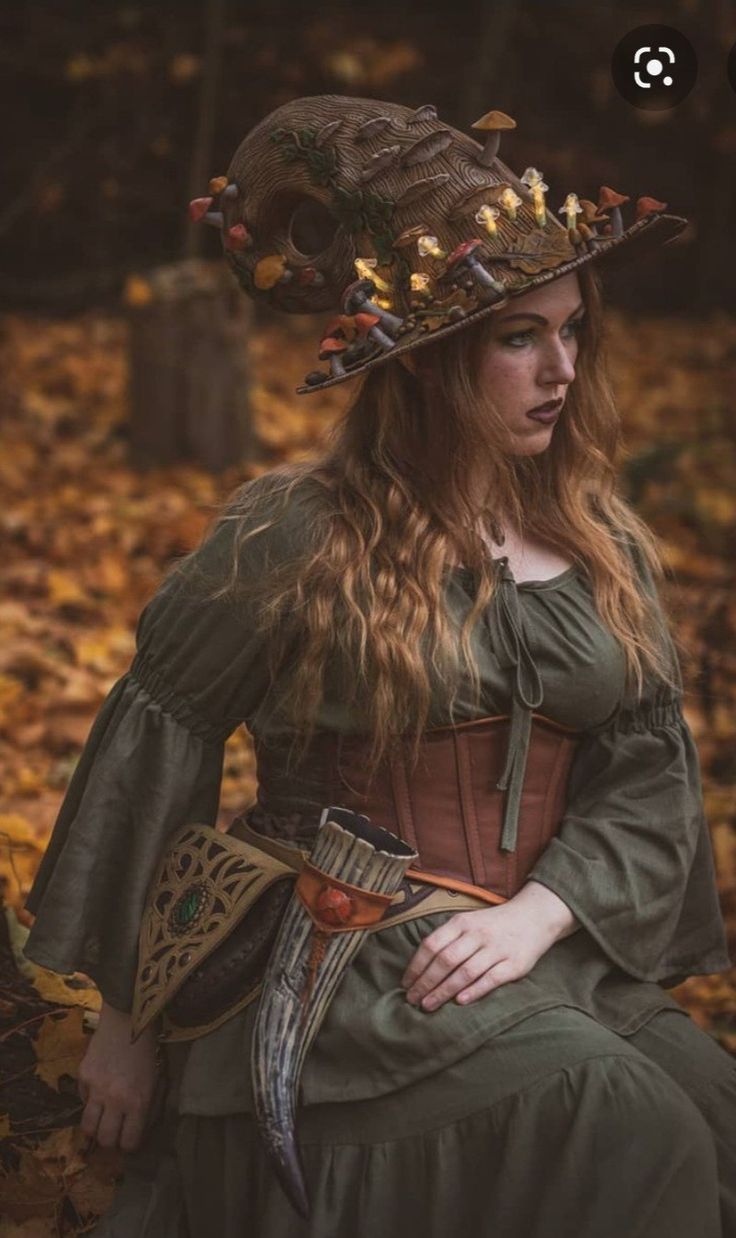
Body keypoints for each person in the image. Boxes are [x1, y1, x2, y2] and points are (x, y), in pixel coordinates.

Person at [24, 94, 735, 1237]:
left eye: (571, 329)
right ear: (434, 360)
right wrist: (124, 1014)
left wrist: (541, 911)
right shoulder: (293, 534)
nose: (560, 367)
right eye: (519, 336)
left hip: (525, 947)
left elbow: (643, 779)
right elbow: (155, 747)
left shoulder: (605, 543)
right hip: (342, 954)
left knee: (714, 1121)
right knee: (631, 1128)